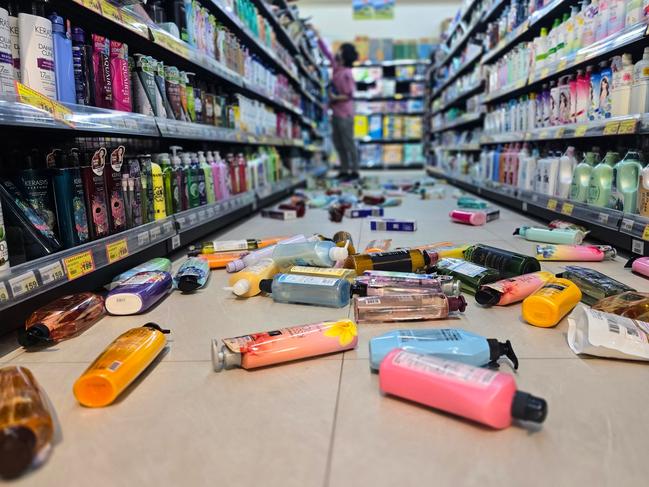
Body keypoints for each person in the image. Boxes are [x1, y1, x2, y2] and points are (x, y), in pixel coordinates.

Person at [317, 34, 359, 181]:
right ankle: (344, 169)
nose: (337, 52)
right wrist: (318, 37)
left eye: (340, 50)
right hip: (335, 111)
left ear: (345, 54)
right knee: (338, 143)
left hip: (345, 113)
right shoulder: (337, 68)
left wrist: (335, 98)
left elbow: (349, 94)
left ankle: (354, 170)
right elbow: (328, 54)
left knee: (348, 142)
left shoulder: (347, 73)